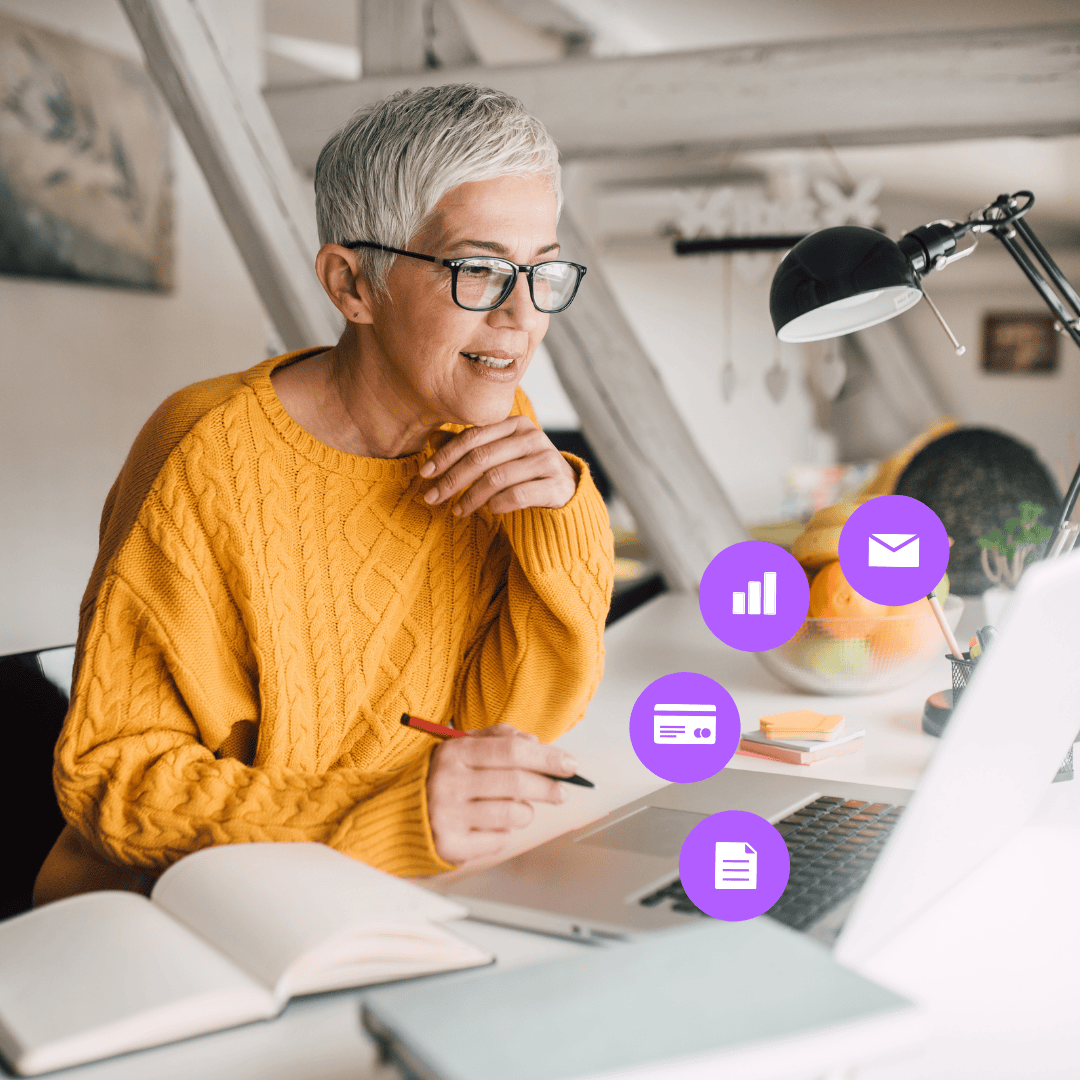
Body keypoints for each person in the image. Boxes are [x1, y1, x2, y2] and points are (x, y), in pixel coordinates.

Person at [34, 84, 614, 905]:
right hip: (169, 914)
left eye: (542, 270)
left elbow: (515, 724)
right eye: (478, 270)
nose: (523, 315)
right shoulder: (205, 451)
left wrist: (562, 519)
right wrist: (379, 813)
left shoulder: (485, 431)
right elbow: (116, 779)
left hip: (374, 889)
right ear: (351, 285)